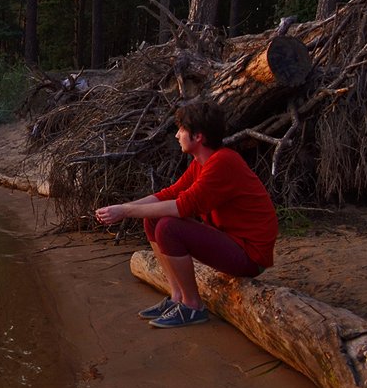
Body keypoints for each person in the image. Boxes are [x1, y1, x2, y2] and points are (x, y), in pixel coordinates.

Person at [94, 99, 278, 328]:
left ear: (198, 136)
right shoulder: (201, 163)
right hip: (232, 243)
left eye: (181, 130)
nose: (176, 135)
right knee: (152, 219)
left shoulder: (223, 163)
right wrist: (121, 208)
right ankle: (178, 296)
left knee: (169, 227)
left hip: (250, 256)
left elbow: (182, 207)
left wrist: (125, 211)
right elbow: (168, 194)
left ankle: (193, 307)